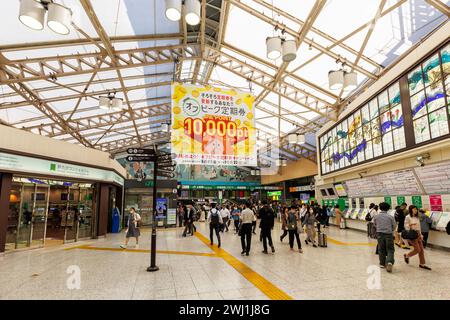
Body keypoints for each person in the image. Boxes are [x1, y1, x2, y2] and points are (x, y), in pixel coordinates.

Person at [404, 205, 431, 270]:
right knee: (417, 249)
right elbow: (406, 226)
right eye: (414, 209)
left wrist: (421, 234)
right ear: (411, 210)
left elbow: (419, 227)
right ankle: (407, 255)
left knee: (421, 250)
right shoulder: (408, 217)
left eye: (416, 209)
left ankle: (422, 264)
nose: (415, 210)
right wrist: (411, 225)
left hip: (418, 234)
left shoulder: (417, 217)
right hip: (412, 234)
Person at [372, 202, 395, 272]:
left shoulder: (376, 216)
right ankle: (389, 262)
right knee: (390, 249)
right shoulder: (390, 217)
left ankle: (382, 263)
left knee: (381, 248)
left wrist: (379, 228)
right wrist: (390, 230)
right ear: (388, 209)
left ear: (379, 208)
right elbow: (394, 226)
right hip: (388, 234)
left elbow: (374, 224)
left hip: (379, 234)